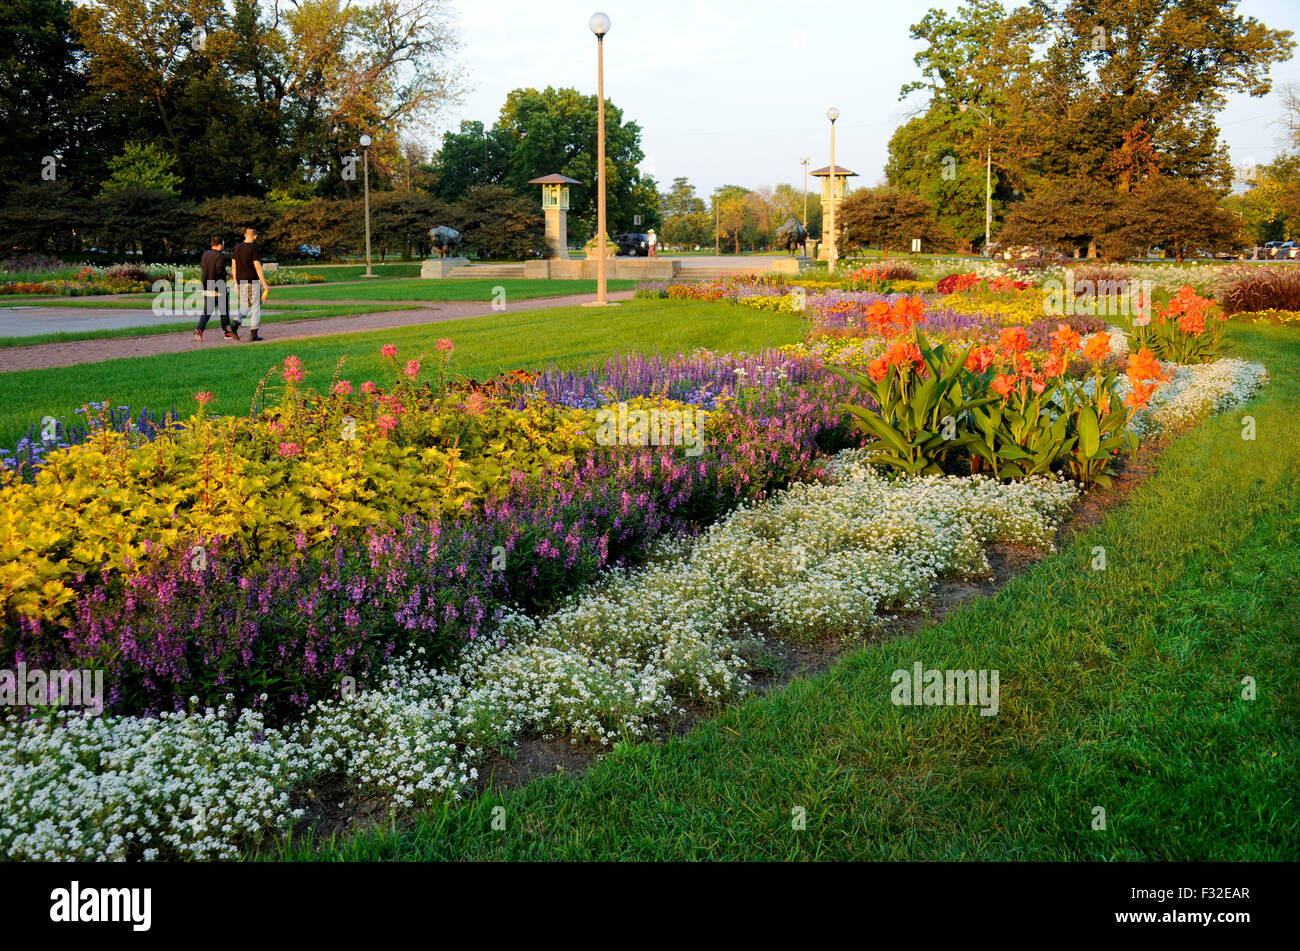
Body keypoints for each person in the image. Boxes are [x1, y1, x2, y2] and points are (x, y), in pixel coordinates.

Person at [232, 226, 271, 341]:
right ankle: (254, 333)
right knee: (255, 307)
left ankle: (234, 325)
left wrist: (235, 282)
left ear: (245, 235)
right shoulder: (253, 248)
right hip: (252, 281)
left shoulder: (237, 248)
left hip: (241, 281)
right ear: (255, 236)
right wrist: (264, 284)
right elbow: (257, 267)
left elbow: (233, 266)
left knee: (245, 306)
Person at [195, 236, 235, 342]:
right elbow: (219, 270)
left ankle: (199, 329)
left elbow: (205, 268)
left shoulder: (205, 254)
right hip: (218, 287)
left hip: (206, 286)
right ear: (220, 245)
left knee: (207, 311)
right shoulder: (219, 256)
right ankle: (227, 332)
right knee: (224, 310)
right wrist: (227, 276)